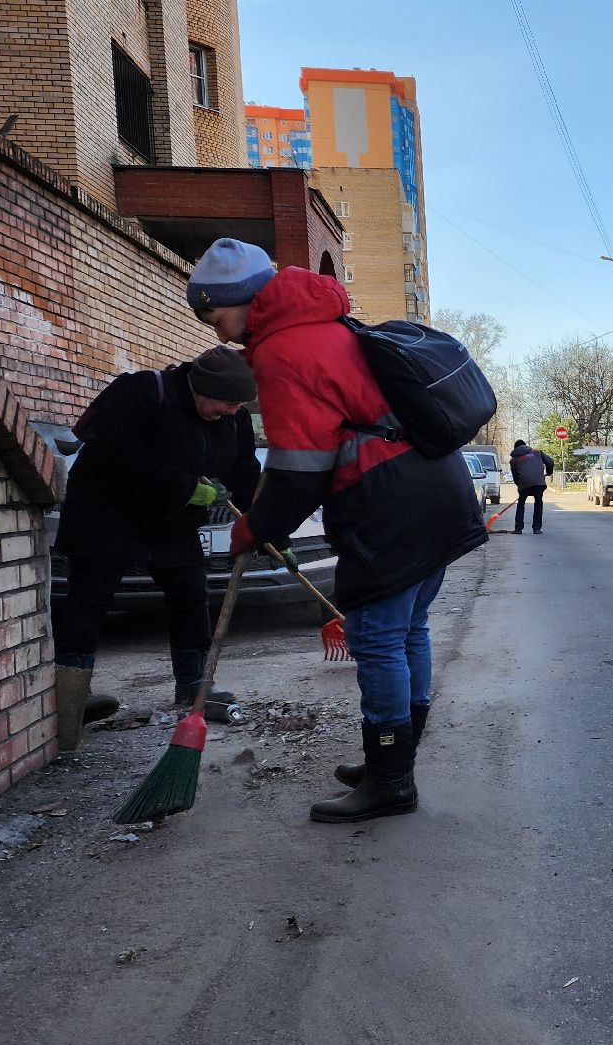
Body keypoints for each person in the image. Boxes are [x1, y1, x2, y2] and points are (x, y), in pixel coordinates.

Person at [187, 237, 486, 823]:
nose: (220, 334)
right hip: (436, 485)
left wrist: (254, 527)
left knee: (377, 637)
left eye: (216, 317)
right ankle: (393, 763)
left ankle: (392, 780)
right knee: (408, 630)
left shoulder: (283, 350)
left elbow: (300, 470)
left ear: (241, 300)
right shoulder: (327, 321)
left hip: (388, 500)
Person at [52, 347, 261, 749]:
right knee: (88, 600)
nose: (233, 412)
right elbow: (117, 455)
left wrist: (265, 526)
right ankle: (71, 697)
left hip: (169, 521)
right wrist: (186, 488)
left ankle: (194, 686)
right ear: (201, 389)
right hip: (107, 512)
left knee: (188, 593)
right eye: (227, 403)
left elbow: (245, 470)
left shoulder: (232, 419)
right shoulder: (143, 393)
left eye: (239, 406)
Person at [508, 439, 555, 534]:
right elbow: (550, 461)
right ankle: (537, 529)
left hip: (524, 484)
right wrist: (549, 472)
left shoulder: (514, 459)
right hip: (539, 483)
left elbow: (515, 476)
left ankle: (518, 529)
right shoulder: (537, 452)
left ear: (515, 448)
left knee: (521, 504)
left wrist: (520, 486)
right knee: (538, 503)